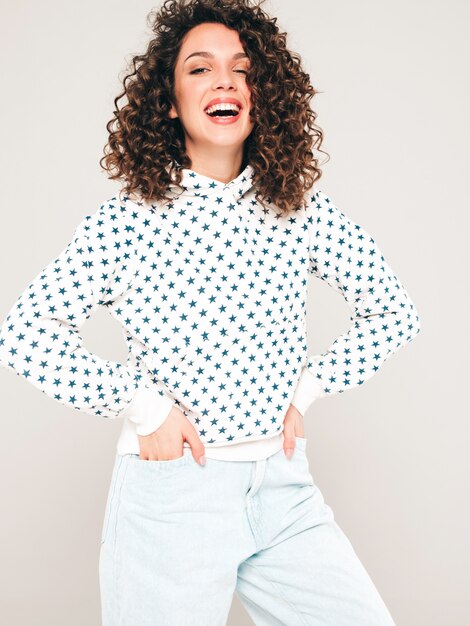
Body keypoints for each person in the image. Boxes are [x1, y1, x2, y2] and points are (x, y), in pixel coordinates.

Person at [0, 1, 421, 624]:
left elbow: (393, 313)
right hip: (174, 497)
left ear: (261, 96)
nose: (225, 80)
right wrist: (144, 407)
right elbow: (24, 333)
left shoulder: (300, 211)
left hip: (283, 490)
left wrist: (307, 389)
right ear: (169, 102)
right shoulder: (126, 221)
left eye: (241, 69)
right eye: (200, 69)